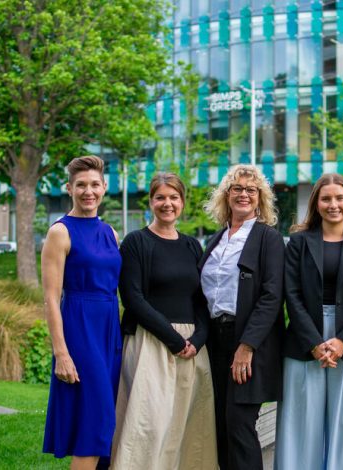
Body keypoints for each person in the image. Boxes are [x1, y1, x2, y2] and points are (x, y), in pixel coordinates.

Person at [110, 173, 217, 470]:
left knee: (187, 424)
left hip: (191, 349)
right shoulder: (136, 242)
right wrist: (174, 340)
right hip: (151, 342)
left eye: (174, 197)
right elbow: (132, 298)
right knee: (149, 423)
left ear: (182, 202)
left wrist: (197, 340)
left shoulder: (192, 246)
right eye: (160, 197)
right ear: (151, 202)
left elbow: (201, 300)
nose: (167, 204)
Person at [275, 173, 343, 470]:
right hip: (304, 339)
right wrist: (313, 342)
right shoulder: (297, 242)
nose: (333, 204)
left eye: (339, 198)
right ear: (316, 204)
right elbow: (292, 295)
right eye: (326, 199)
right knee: (300, 423)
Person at [199, 164, 285, 470]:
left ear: (260, 198)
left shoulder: (268, 238)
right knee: (221, 426)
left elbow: (272, 296)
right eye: (237, 188)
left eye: (251, 190)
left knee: (239, 425)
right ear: (226, 195)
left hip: (249, 342)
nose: (244, 194)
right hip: (216, 340)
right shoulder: (217, 239)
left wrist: (247, 346)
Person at [42, 155, 122, 469]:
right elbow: (51, 298)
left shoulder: (111, 233)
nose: (88, 191)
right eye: (81, 185)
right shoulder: (60, 232)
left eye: (94, 185)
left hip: (109, 332)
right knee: (96, 422)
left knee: (107, 422)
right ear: (69, 188)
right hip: (80, 329)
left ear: (104, 187)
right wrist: (61, 353)